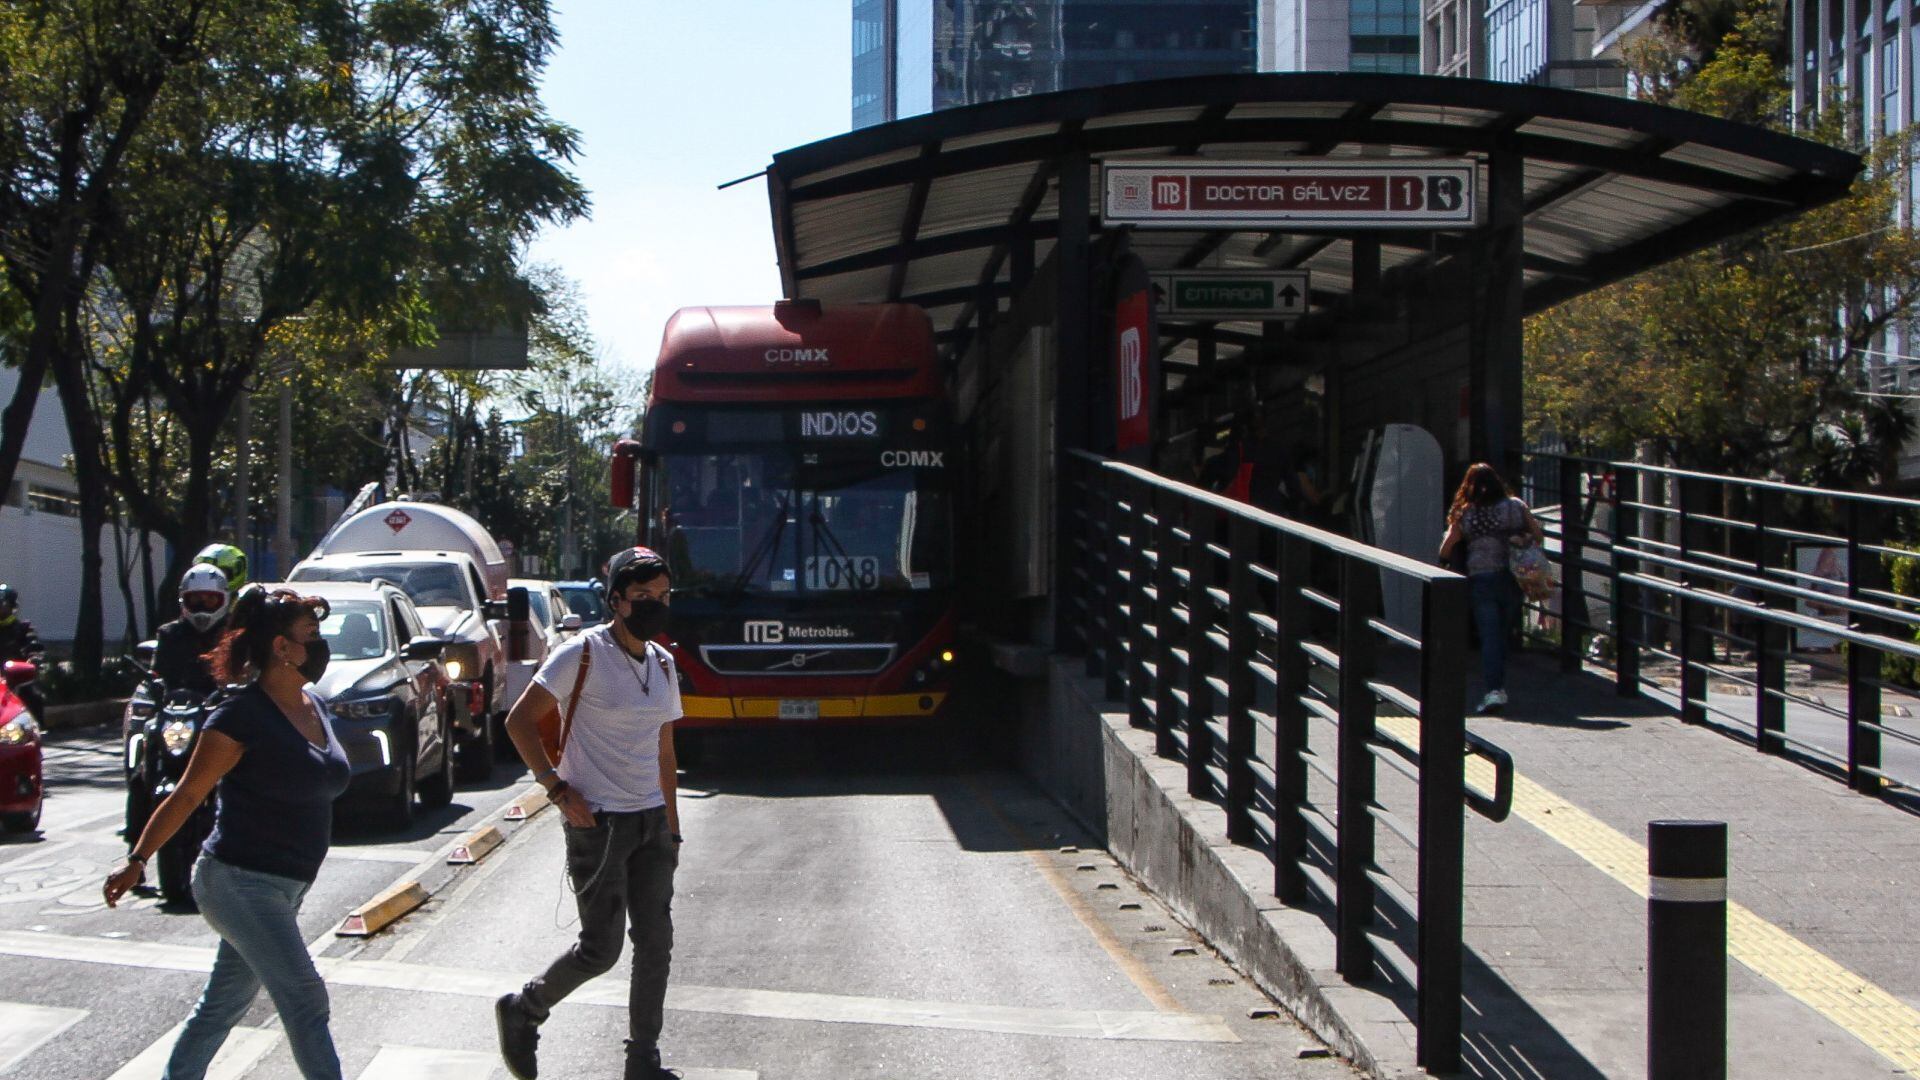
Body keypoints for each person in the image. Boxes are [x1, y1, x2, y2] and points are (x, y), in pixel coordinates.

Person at [104, 586, 350, 1080]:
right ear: (281, 648)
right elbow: (188, 794)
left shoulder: (312, 704)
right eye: (310, 634)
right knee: (305, 997)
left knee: (222, 1007)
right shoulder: (239, 715)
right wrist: (137, 859)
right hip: (238, 882)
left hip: (285, 887)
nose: (319, 644)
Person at [497, 546, 684, 1080]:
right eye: (643, 597)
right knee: (600, 949)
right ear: (617, 600)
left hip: (651, 820)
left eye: (664, 597)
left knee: (656, 942)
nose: (655, 606)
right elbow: (519, 721)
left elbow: (665, 752)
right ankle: (524, 1008)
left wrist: (672, 827)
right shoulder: (582, 655)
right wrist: (556, 789)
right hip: (598, 823)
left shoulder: (664, 663)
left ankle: (642, 1058)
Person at [1438, 463, 1543, 714]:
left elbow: (1446, 547)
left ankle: (1494, 689)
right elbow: (1537, 534)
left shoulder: (1467, 513)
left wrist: (1444, 562)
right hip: (1513, 578)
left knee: (1490, 636)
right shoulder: (1516, 506)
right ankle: (1499, 680)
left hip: (1481, 578)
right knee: (1503, 632)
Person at [152, 564, 233, 696]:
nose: (202, 605)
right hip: (175, 710)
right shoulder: (169, 634)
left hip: (225, 710)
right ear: (184, 599)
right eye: (195, 599)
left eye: (210, 600)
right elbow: (156, 679)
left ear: (224, 599)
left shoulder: (234, 634)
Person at [0, 584, 46, 722]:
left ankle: (34, 731)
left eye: (1, 603)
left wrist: (32, 662)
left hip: (14, 681)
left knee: (33, 696)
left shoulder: (23, 629)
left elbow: (35, 650)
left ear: (11, 606)